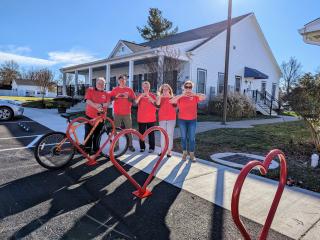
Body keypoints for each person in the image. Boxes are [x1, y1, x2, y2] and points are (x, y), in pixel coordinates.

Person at [170, 80, 206, 162]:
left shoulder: (194, 97)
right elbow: (171, 101)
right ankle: (184, 153)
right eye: (186, 87)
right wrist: (182, 95)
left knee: (192, 138)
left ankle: (192, 155)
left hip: (192, 121)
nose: (188, 88)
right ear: (184, 88)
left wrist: (194, 94)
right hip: (182, 120)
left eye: (190, 87)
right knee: (183, 138)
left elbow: (204, 97)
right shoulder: (180, 97)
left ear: (192, 88)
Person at [84, 77, 110, 154]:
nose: (101, 85)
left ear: (105, 85)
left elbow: (108, 103)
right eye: (99, 83)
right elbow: (87, 100)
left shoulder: (106, 93)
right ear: (96, 83)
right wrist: (96, 106)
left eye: (103, 84)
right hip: (90, 117)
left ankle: (96, 149)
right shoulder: (90, 90)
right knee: (89, 134)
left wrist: (101, 105)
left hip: (101, 118)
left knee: (98, 135)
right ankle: (87, 150)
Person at [110, 75, 136, 152]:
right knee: (116, 130)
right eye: (120, 80)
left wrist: (128, 97)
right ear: (118, 81)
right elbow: (110, 98)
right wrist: (116, 97)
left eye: (123, 80)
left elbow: (134, 102)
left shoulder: (129, 90)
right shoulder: (115, 90)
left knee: (129, 130)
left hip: (127, 113)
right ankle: (116, 146)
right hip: (117, 113)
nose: (122, 81)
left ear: (126, 81)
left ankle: (130, 145)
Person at [135, 81, 157, 153]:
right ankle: (142, 147)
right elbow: (135, 102)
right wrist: (141, 96)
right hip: (141, 118)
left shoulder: (152, 95)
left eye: (147, 86)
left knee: (151, 134)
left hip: (151, 118)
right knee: (141, 134)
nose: (146, 88)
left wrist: (148, 96)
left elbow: (155, 103)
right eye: (144, 86)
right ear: (142, 87)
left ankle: (151, 148)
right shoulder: (139, 95)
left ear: (149, 87)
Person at [156, 84, 176, 158]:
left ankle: (169, 151)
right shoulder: (159, 97)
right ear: (161, 91)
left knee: (170, 135)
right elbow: (157, 104)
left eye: (167, 89)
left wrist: (169, 96)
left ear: (169, 90)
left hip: (171, 118)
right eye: (164, 89)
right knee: (162, 135)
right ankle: (162, 151)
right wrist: (161, 96)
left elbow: (175, 104)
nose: (165, 91)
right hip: (162, 118)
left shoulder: (172, 97)